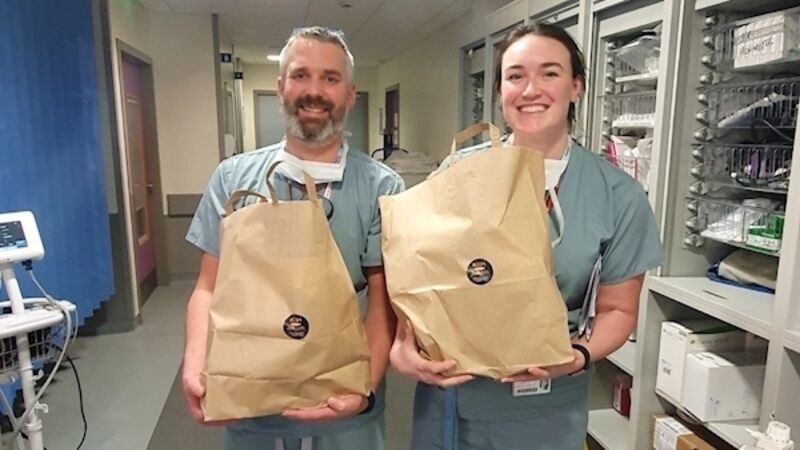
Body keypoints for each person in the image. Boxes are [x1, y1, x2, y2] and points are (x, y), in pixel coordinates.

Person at [390, 23, 663, 449]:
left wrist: (577, 356)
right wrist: (403, 348)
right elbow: (419, 276)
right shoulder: (457, 174)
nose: (530, 89)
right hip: (453, 397)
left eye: (549, 73)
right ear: (500, 91)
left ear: (576, 87)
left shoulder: (617, 196)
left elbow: (618, 308)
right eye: (515, 76)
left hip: (547, 405)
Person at [182, 26, 404, 450]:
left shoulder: (381, 187)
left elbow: (383, 304)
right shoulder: (233, 179)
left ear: (350, 94)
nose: (314, 91)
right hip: (252, 397)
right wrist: (195, 362)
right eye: (301, 75)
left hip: (343, 403)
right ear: (281, 87)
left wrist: (364, 389)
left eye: (330, 78)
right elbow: (207, 287)